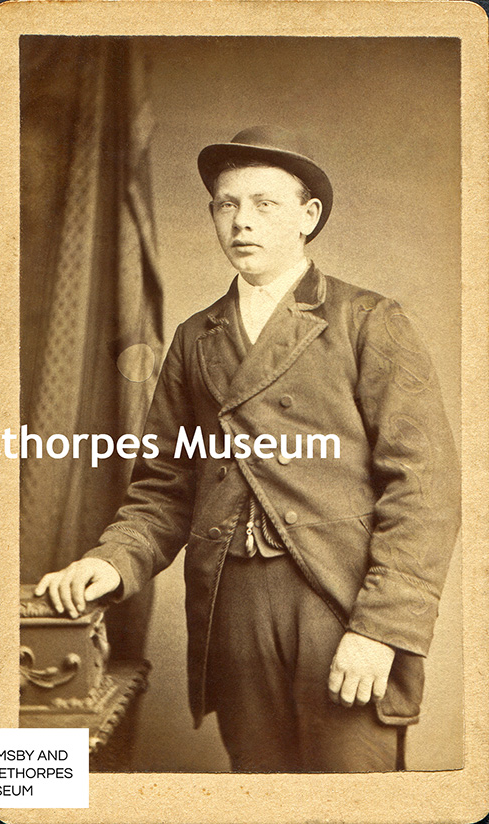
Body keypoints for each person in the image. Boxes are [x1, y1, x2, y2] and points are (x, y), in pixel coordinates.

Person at [34, 125, 461, 772]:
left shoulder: (368, 321)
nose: (243, 222)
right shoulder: (194, 338)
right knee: (260, 795)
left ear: (307, 216)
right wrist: (112, 562)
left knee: (355, 803)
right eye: (227, 204)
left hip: (338, 600)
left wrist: (381, 629)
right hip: (233, 611)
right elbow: (164, 489)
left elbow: (424, 490)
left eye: (265, 204)